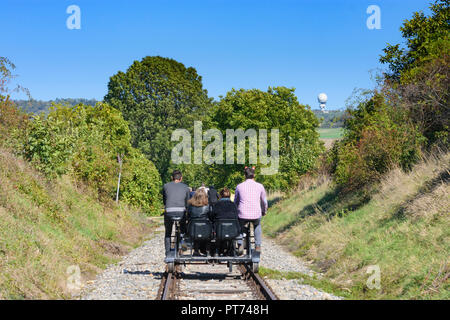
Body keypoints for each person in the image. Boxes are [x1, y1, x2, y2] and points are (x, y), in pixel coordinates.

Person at [234, 166, 268, 252]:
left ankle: (240, 243)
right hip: (256, 214)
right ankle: (258, 245)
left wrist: (236, 210)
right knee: (257, 225)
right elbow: (264, 201)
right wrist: (264, 211)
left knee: (240, 226)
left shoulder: (239, 186)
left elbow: (236, 201)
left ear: (244, 175)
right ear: (254, 175)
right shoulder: (260, 186)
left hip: (242, 214)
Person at [162, 170, 190, 256]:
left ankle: (167, 252)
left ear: (172, 178)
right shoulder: (186, 187)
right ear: (181, 178)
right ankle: (184, 249)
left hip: (169, 212)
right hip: (181, 213)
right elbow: (187, 202)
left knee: (168, 232)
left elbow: (164, 200)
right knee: (183, 231)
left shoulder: (165, 186)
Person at [187, 189, 211, 255]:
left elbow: (188, 216)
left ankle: (196, 250)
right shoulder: (208, 206)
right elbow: (211, 216)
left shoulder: (190, 206)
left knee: (196, 228)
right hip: (205, 229)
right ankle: (206, 249)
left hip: (193, 229)